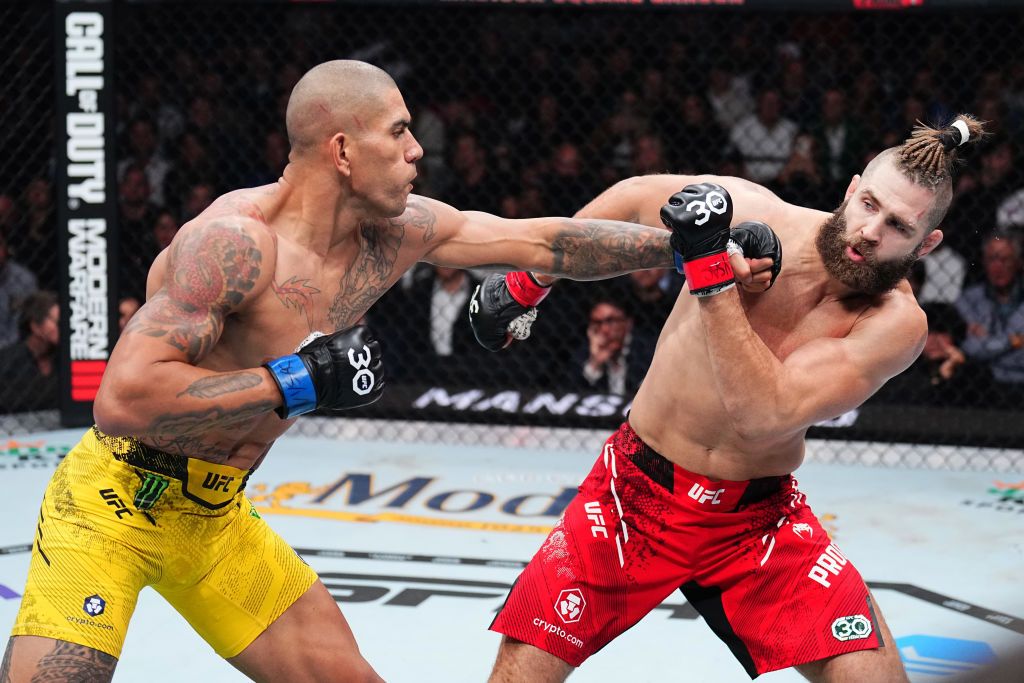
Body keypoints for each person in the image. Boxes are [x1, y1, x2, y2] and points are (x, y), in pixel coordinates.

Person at [1, 59, 687, 683]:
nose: (418, 149)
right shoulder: (236, 243)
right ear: (343, 151)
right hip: (114, 502)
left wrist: (681, 247)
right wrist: (293, 380)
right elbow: (121, 400)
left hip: (214, 517)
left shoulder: (395, 235)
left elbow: (543, 241)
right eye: (399, 131)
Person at [472, 114, 985, 682]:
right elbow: (633, 198)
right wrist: (530, 284)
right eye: (869, 205)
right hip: (635, 494)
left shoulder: (896, 324)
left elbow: (767, 415)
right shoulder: (755, 210)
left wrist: (709, 272)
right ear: (850, 190)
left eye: (898, 226)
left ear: (928, 243)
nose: (871, 232)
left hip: (756, 519)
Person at [0, 290, 59, 413]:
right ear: (36, 327)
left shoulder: (65, 358)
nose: (62, 327)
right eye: (56, 322)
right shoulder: (8, 361)